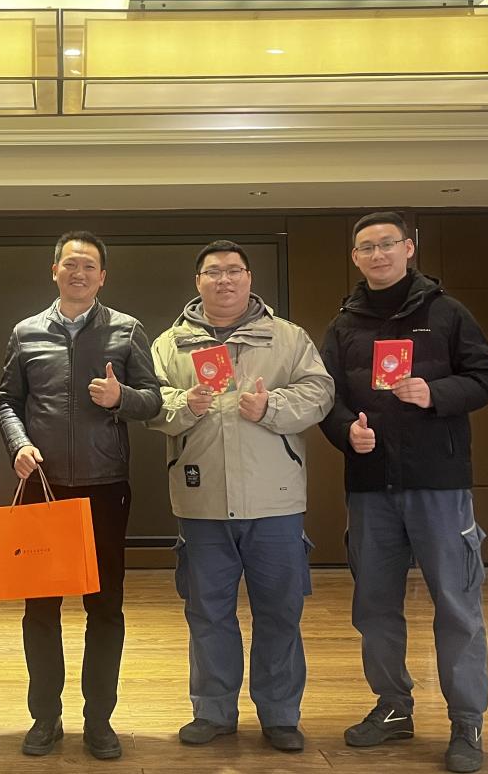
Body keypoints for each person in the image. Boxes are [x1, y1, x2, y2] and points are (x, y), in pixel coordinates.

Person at [319, 211, 488, 774]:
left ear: (409, 248)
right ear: (355, 258)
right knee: (374, 606)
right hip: (370, 487)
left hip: (439, 485)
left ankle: (466, 720)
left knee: (456, 604)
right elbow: (325, 397)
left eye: (387, 244)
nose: (377, 255)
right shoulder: (343, 325)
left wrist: (435, 392)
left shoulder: (447, 313)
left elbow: (487, 377)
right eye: (366, 247)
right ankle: (393, 706)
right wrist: (346, 431)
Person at [147, 239, 334, 752]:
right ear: (198, 282)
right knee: (207, 613)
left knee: (280, 613)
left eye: (233, 271)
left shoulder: (287, 337)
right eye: (213, 272)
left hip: (275, 501)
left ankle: (280, 715)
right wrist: (184, 405)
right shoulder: (170, 344)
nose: (224, 280)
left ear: (250, 279)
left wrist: (271, 407)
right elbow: (150, 402)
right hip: (201, 501)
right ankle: (213, 711)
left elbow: (320, 391)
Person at [0, 230, 162, 761]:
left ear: (102, 276)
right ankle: (45, 717)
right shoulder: (26, 333)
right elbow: (6, 401)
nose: (79, 273)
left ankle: (99, 720)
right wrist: (19, 445)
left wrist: (121, 397)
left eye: (89, 265)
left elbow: (153, 400)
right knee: (40, 610)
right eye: (70, 264)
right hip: (44, 490)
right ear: (54, 270)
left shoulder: (126, 330)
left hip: (104, 488)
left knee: (105, 608)